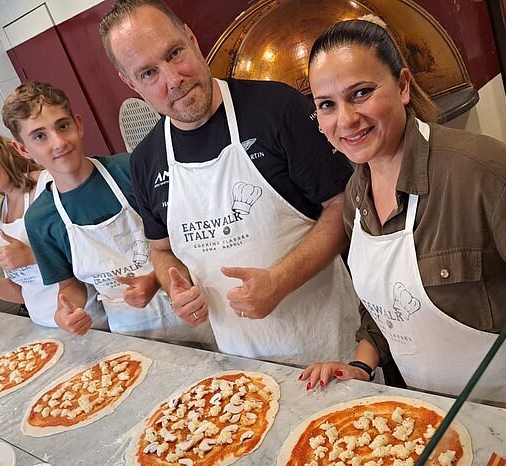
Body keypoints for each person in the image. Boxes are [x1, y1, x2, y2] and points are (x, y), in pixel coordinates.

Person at [300, 17, 506, 441]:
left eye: (361, 93)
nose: (346, 120)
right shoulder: (355, 197)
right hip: (439, 423)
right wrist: (359, 364)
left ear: (403, 86)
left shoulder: (484, 175)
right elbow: (386, 308)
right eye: (327, 105)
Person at [99, 0, 360, 367]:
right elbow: (161, 250)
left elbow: (343, 207)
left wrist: (279, 282)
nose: (173, 80)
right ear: (129, 82)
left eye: (175, 53)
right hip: (239, 367)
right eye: (148, 74)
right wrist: (176, 286)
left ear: (192, 38)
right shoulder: (145, 161)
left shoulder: (277, 108)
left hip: (329, 352)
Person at [1, 81, 215, 346]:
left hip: (190, 306)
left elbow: (187, 238)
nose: (58, 143)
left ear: (78, 125)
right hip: (129, 332)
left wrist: (155, 280)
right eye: (39, 136)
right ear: (22, 149)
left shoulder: (132, 170)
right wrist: (65, 311)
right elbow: (70, 285)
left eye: (63, 126)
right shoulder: (40, 219)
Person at [0, 121, 106, 328]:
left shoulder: (50, 184)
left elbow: (99, 252)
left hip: (90, 323)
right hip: (46, 329)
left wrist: (33, 256)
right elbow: (24, 292)